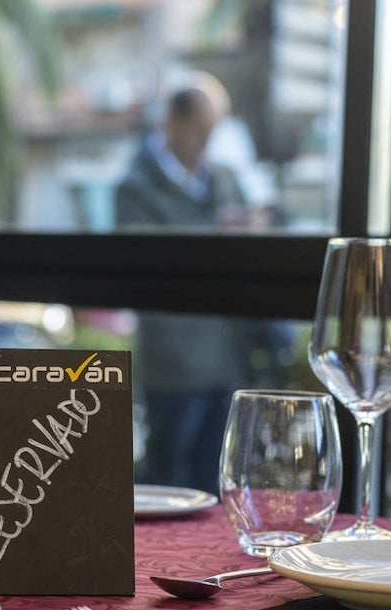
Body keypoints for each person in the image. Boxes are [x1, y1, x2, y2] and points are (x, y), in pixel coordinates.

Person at [115, 73, 286, 494]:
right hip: (174, 362)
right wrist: (221, 230)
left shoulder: (224, 177)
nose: (206, 141)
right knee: (169, 476)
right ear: (174, 122)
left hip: (228, 356)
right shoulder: (136, 187)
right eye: (201, 129)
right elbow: (150, 259)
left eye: (213, 130)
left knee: (216, 480)